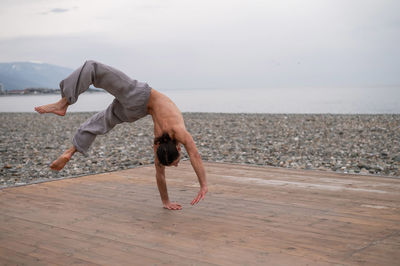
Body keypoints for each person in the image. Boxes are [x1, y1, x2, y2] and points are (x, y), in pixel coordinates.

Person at [35, 60, 207, 210]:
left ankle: (65, 112)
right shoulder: (166, 138)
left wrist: (169, 200)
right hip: (138, 103)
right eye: (178, 161)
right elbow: (179, 163)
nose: (177, 165)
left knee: (93, 71)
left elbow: (188, 157)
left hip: (138, 103)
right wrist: (201, 185)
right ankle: (69, 143)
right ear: (177, 146)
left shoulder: (169, 137)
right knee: (101, 116)